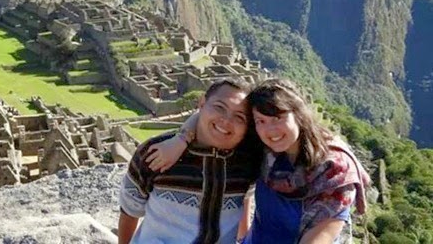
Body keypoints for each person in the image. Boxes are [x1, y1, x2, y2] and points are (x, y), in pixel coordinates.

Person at [147, 78, 370, 244]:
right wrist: (181, 139)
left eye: (278, 118)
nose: (270, 130)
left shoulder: (335, 172)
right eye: (260, 121)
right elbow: (212, 115)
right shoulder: (266, 151)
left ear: (299, 115)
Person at [118, 78, 262, 244]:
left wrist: (242, 238)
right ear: (201, 103)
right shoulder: (156, 152)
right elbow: (129, 210)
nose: (227, 121)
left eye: (239, 117)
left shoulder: (246, 160)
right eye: (219, 107)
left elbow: (245, 197)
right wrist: (182, 137)